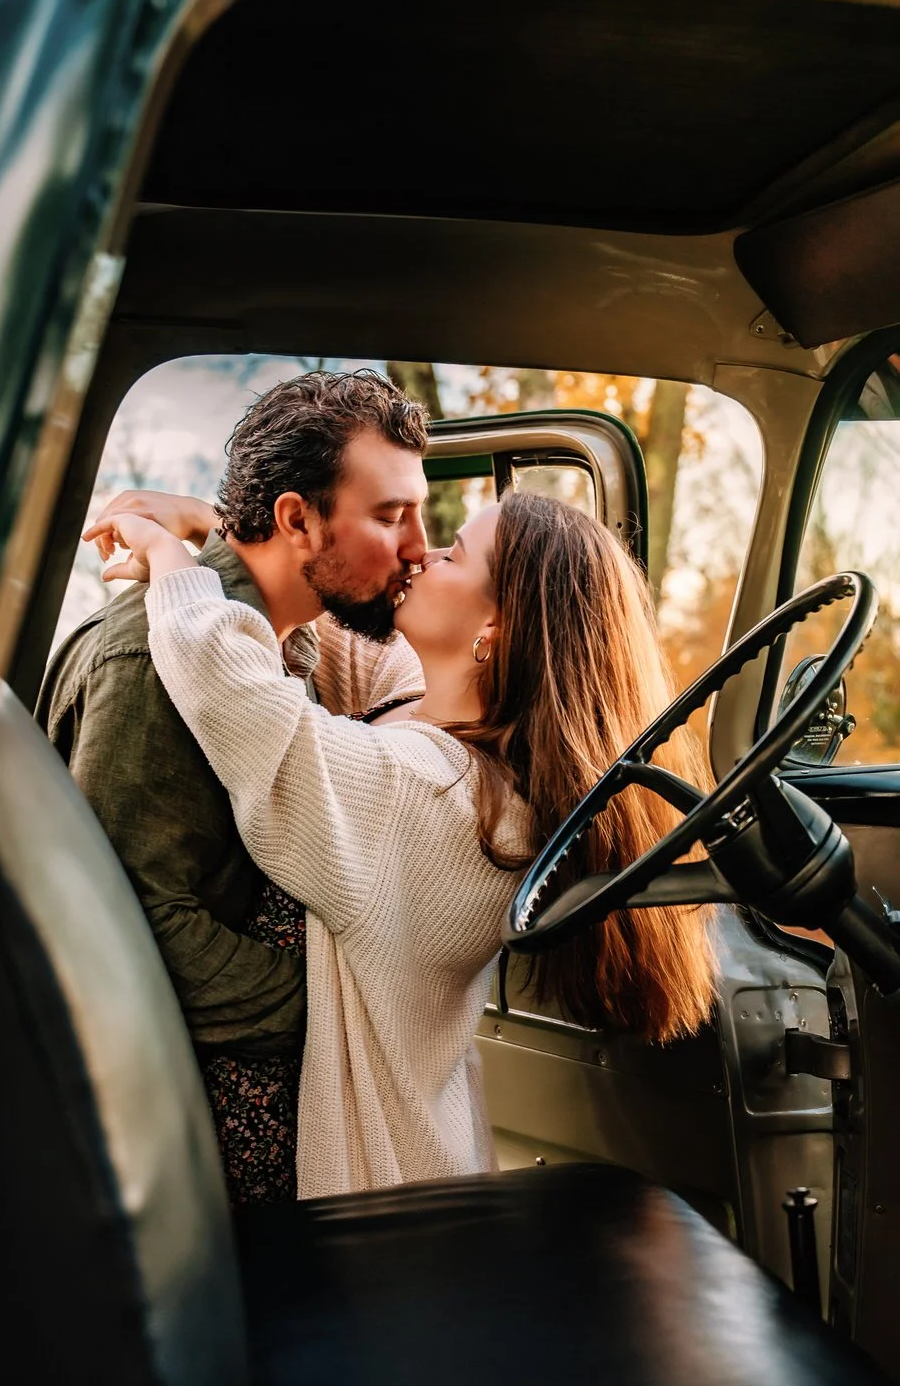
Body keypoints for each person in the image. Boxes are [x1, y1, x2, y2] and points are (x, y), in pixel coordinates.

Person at [95, 489, 718, 1200]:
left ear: (493, 627)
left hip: (361, 1177)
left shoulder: (441, 801)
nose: (422, 555)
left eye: (453, 555)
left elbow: (236, 694)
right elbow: (330, 633)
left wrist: (172, 560)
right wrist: (229, 530)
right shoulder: (428, 709)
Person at [36, 368, 430, 1201]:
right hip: (162, 1124)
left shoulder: (294, 646)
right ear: (296, 519)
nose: (419, 548)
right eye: (391, 516)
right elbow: (136, 928)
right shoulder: (149, 661)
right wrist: (339, 1016)